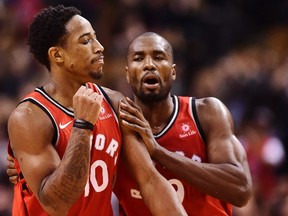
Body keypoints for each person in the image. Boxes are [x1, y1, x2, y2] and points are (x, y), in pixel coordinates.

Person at [6, 6, 186, 216]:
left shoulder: (115, 102)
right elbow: (57, 204)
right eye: (86, 41)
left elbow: (150, 180)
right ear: (57, 55)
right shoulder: (29, 117)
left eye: (96, 38)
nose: (99, 47)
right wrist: (82, 126)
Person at [113, 32, 253, 215]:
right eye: (138, 58)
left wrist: (159, 152)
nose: (149, 64)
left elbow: (241, 189)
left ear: (173, 72)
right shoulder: (115, 125)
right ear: (128, 74)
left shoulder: (206, 113)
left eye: (158, 57)